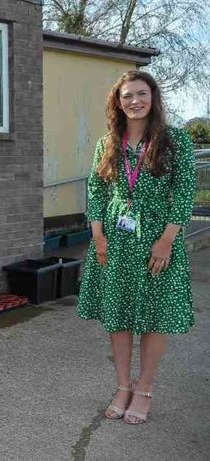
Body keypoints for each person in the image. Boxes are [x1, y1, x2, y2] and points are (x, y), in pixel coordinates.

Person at [78, 70, 196, 425]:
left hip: (158, 236)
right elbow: (97, 192)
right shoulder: (107, 142)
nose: (135, 101)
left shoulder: (176, 140)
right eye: (127, 95)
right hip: (115, 238)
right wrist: (98, 236)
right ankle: (122, 386)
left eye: (141, 94)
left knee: (155, 314)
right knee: (118, 313)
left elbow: (185, 191)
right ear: (118, 101)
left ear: (153, 97)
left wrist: (167, 240)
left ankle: (144, 389)